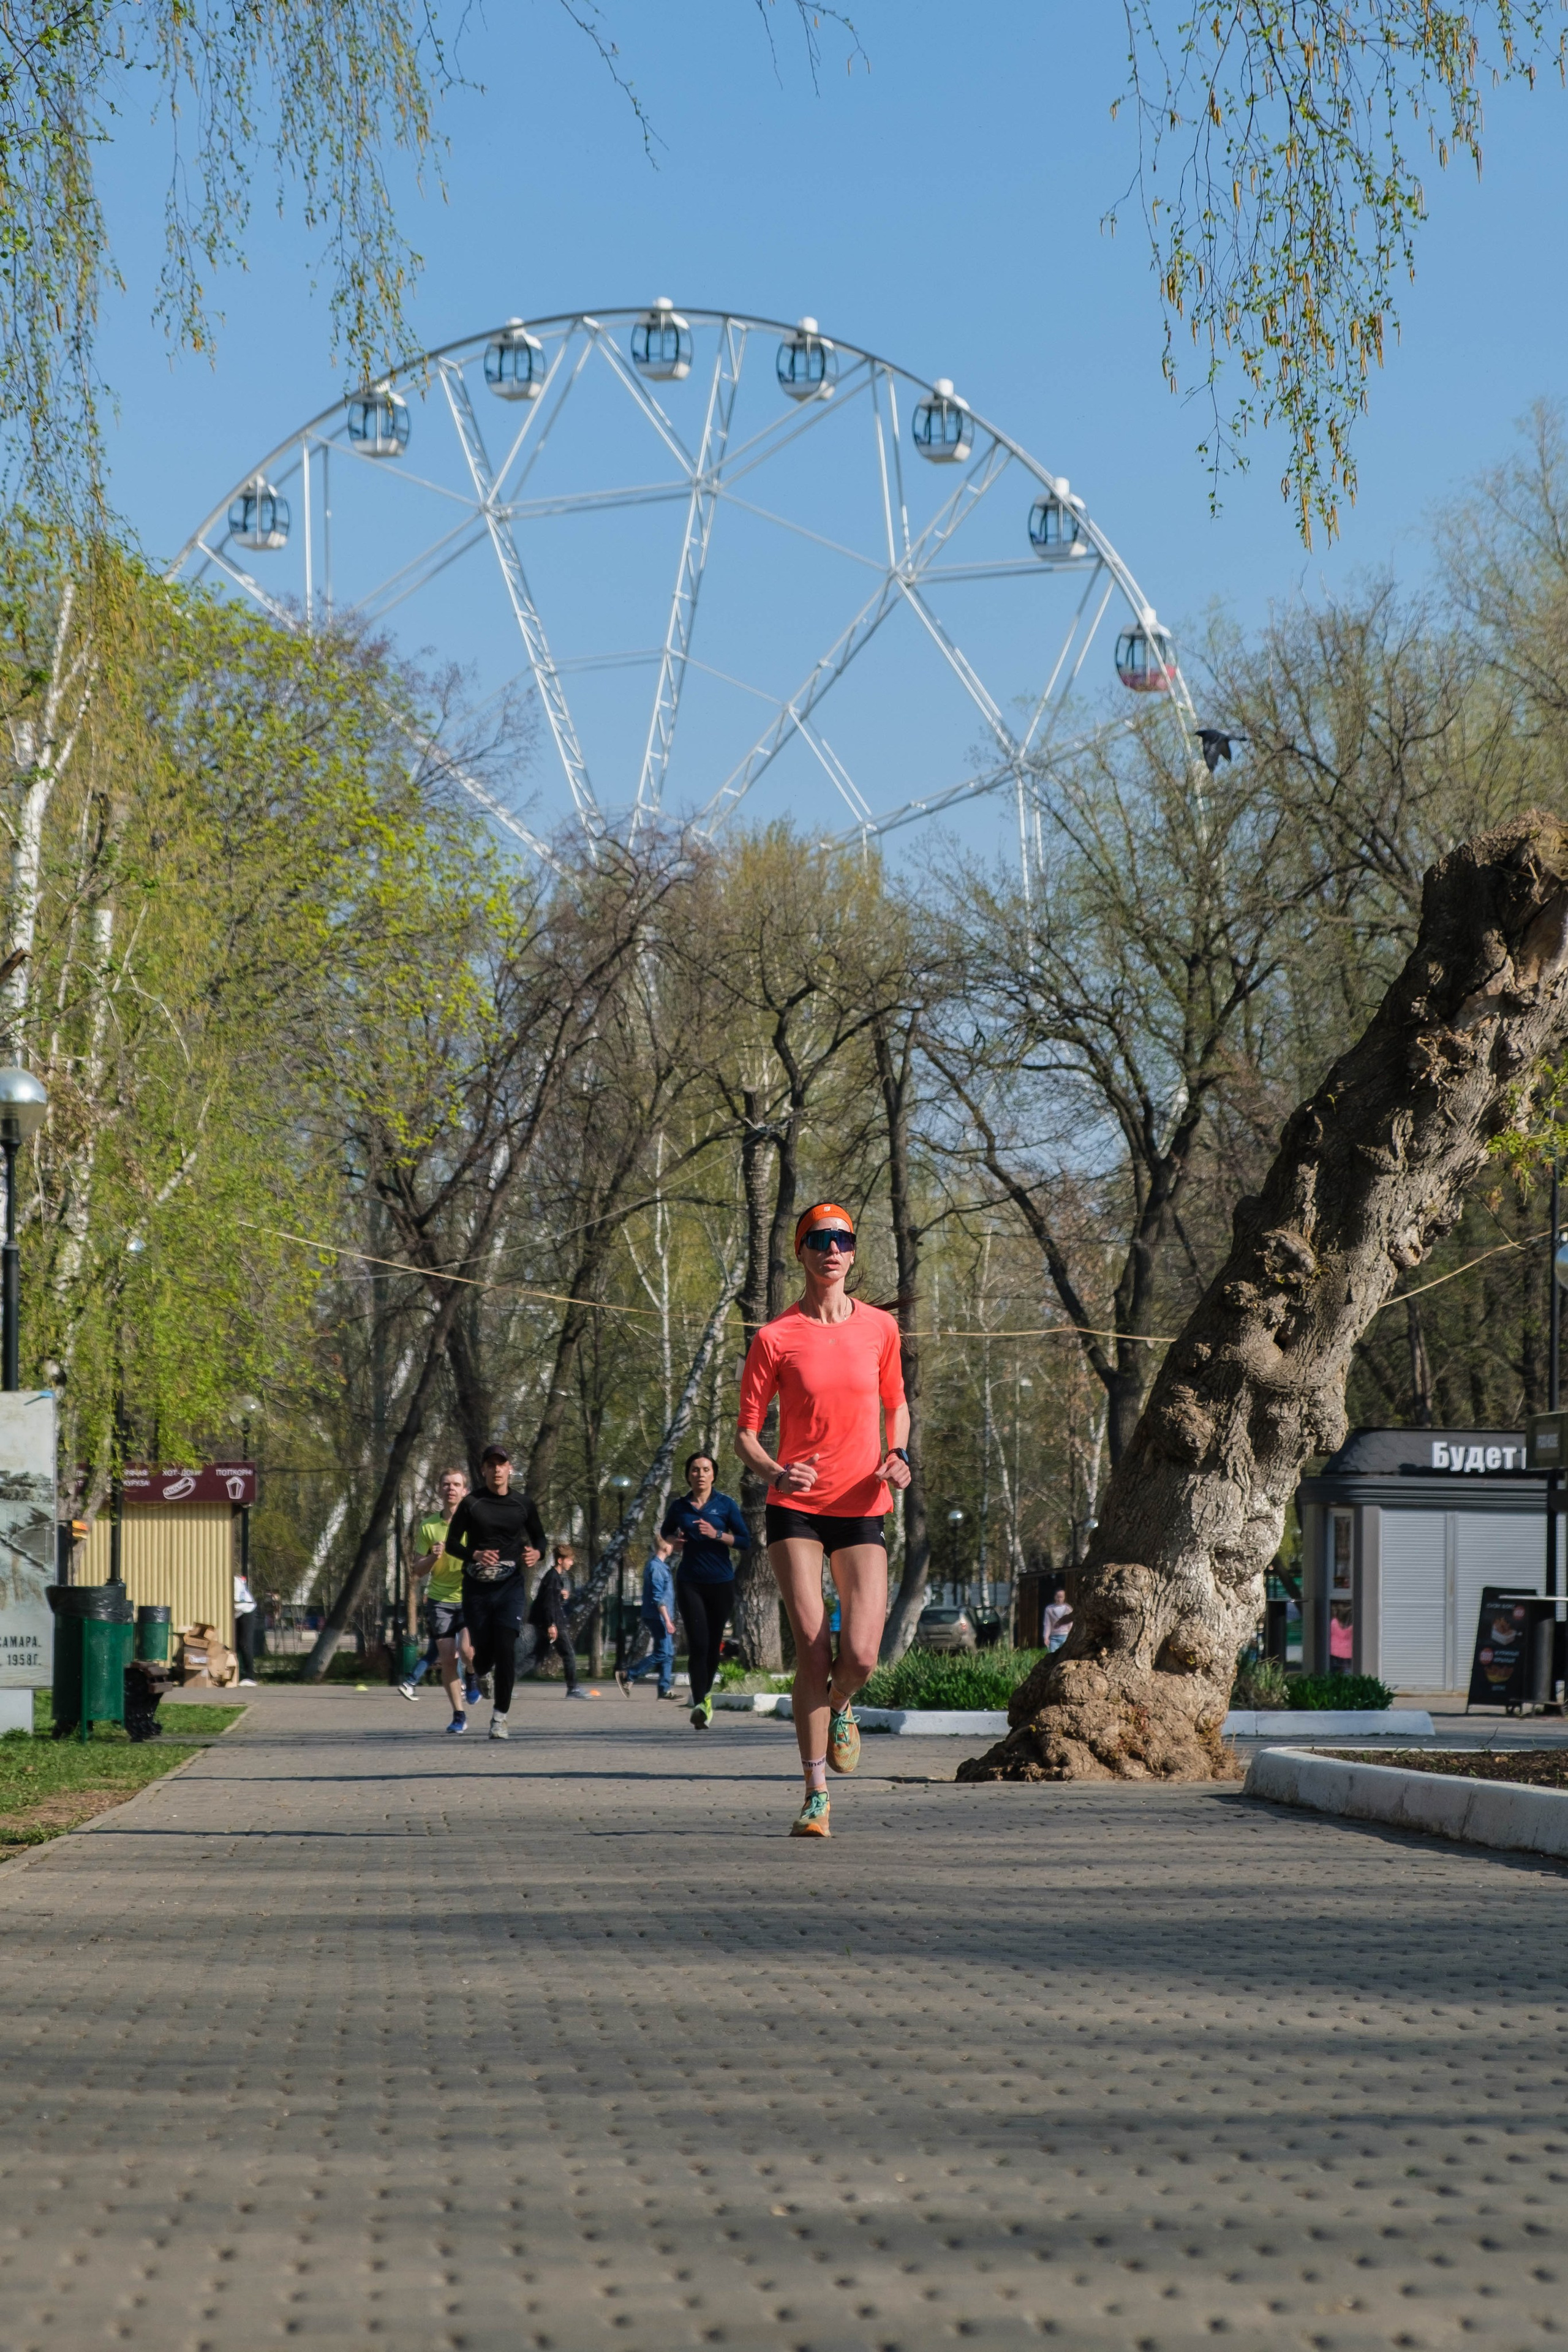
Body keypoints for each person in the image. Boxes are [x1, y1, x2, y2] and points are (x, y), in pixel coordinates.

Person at [736, 1201, 909, 1838]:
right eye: (818, 1239)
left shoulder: (880, 1330)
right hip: (795, 1509)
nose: (831, 1248)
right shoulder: (774, 1337)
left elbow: (898, 1405)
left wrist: (899, 1454)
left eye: (842, 1238)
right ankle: (816, 1794)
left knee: (860, 1654)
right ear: (801, 1252)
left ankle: (841, 1707)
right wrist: (774, 1473)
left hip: (863, 1505)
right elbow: (746, 1435)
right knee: (812, 1647)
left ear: (853, 1252)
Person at [440, 1445, 546, 1737]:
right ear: (484, 1469)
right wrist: (474, 1555)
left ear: (510, 1468)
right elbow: (452, 1545)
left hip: (510, 1586)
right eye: (491, 1464)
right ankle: (480, 1673)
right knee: (482, 1655)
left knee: (507, 1647)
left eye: (502, 1464)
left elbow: (540, 1539)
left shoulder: (524, 1504)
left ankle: (500, 1717)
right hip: (477, 1589)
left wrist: (537, 1554)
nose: (497, 1469)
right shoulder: (472, 1503)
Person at [660, 1451, 751, 1729]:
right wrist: (674, 1541)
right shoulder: (680, 1506)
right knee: (698, 1643)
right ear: (688, 1475)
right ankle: (700, 1703)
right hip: (690, 1581)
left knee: (713, 1646)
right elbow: (666, 1533)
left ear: (714, 1474)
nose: (700, 1475)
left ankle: (705, 1696)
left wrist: (717, 1536)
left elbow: (746, 1541)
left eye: (706, 1470)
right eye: (695, 1470)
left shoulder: (726, 1505)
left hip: (721, 1582)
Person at [399, 1468, 479, 1712]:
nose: (451, 1489)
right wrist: (433, 1557)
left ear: (464, 1491)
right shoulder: (428, 1526)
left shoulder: (474, 1524)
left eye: (456, 1485)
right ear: (439, 1490)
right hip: (439, 1600)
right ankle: (458, 1713)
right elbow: (417, 1570)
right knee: (447, 1659)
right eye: (446, 1485)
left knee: (466, 1652)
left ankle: (473, 1674)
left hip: (469, 1597)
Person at [616, 1532, 679, 1698]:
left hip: (661, 1616)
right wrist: (667, 1620)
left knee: (668, 1653)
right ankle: (628, 1675)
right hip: (657, 1617)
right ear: (665, 1547)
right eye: (672, 1544)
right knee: (663, 1653)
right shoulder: (656, 1568)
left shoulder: (661, 1566)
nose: (674, 1547)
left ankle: (664, 1690)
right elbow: (658, 1598)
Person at [527, 1543, 594, 1699]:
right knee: (569, 1654)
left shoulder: (554, 1577)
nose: (572, 1563)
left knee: (536, 1655)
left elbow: (550, 1599)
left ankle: (507, 1684)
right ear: (560, 1560)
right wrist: (551, 1625)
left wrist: (560, 1596)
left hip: (550, 1621)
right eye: (569, 1560)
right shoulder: (552, 1578)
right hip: (554, 1622)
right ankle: (573, 1689)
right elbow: (548, 1603)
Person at [233, 1570, 260, 1686]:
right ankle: (238, 1674)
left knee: (245, 1643)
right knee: (237, 1644)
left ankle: (250, 1677)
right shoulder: (234, 1580)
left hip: (246, 1611)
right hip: (240, 1612)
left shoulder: (234, 1582)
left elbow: (237, 1602)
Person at [1042, 1583, 1072, 1653]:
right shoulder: (1049, 1609)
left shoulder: (1068, 1609)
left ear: (1064, 1597)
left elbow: (1071, 1624)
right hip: (1053, 1638)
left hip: (1065, 1636)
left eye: (1061, 1597)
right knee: (1053, 1657)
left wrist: (1070, 1635)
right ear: (1055, 1597)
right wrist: (1046, 1637)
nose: (1059, 1599)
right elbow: (1047, 1624)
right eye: (1058, 1597)